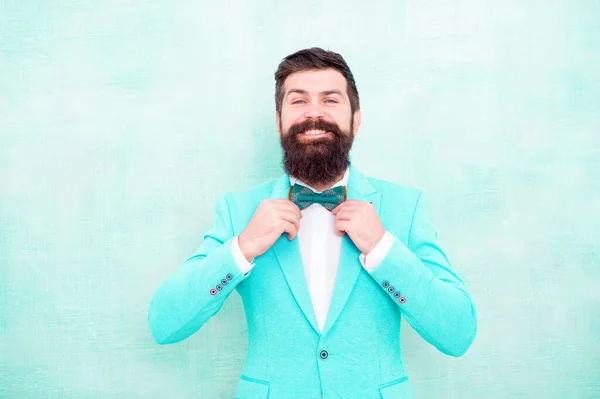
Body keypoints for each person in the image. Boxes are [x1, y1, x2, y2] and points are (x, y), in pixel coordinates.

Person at [148, 47, 477, 399]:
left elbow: (457, 333)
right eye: (299, 101)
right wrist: (242, 248)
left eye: (330, 100)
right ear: (278, 121)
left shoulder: (405, 207)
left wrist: (384, 249)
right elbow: (165, 323)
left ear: (356, 119)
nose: (314, 113)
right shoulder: (238, 210)